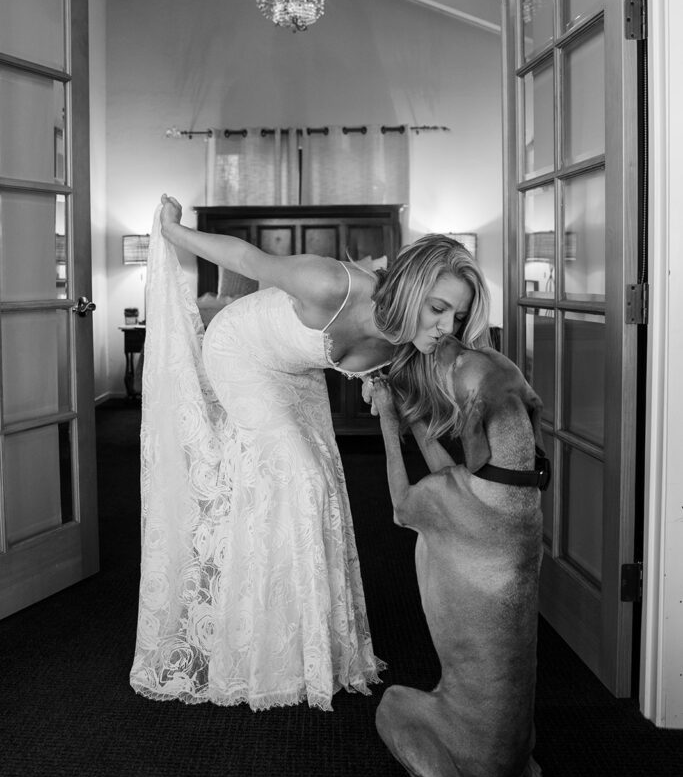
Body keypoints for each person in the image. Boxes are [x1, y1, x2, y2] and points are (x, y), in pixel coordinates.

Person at [129, 194, 489, 712]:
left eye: (458, 315)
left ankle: (298, 644)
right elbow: (245, 260)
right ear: (409, 290)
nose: (446, 327)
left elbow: (418, 420)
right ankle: (258, 652)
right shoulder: (330, 284)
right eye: (438, 308)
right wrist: (172, 231)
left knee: (319, 485)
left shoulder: (413, 342)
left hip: (295, 373)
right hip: (241, 352)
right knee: (301, 478)